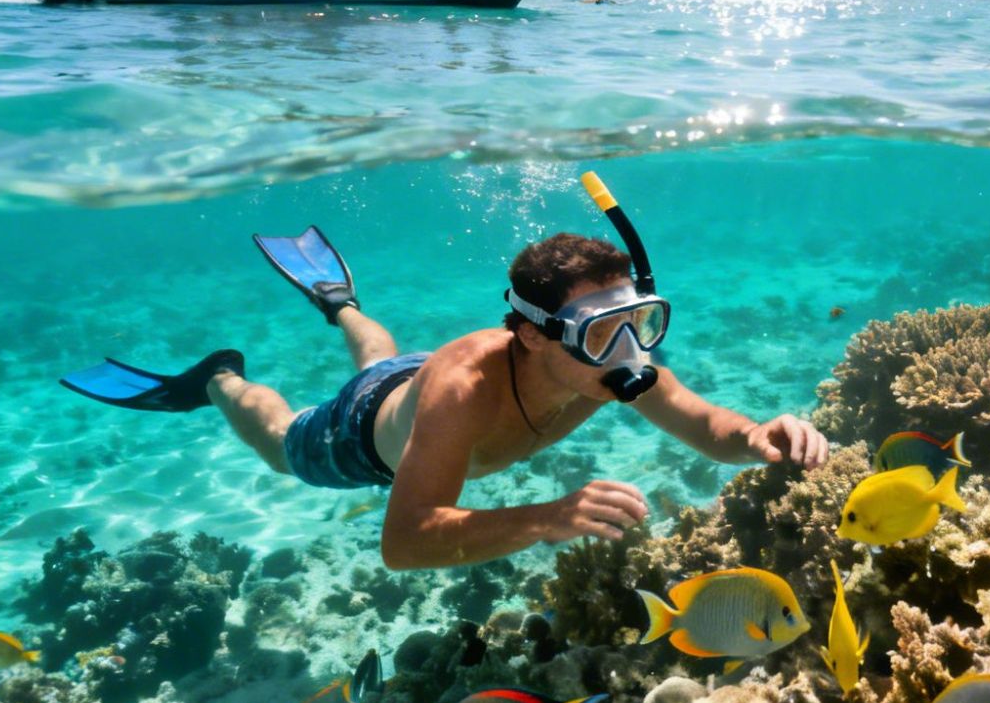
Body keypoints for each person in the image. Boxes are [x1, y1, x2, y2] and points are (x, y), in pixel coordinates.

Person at [59, 178, 828, 571]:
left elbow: (707, 425)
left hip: (408, 381)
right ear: (529, 333)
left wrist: (762, 433)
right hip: (362, 432)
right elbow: (404, 540)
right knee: (280, 440)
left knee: (380, 356)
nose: (629, 350)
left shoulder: (610, 365)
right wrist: (546, 517)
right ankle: (219, 378)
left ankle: (340, 301)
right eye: (601, 331)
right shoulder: (465, 390)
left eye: (641, 322)